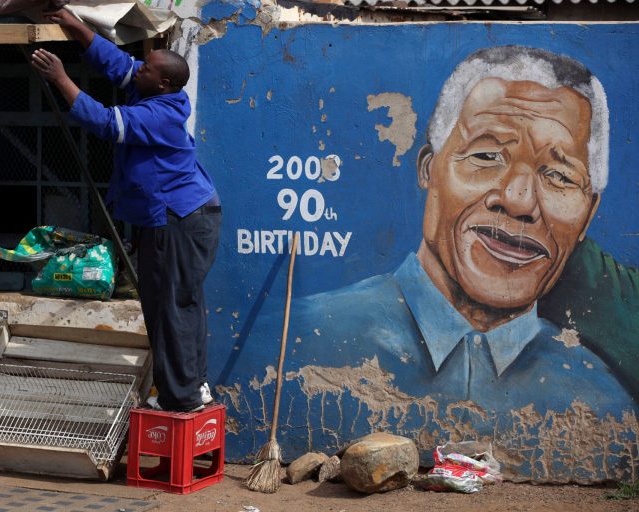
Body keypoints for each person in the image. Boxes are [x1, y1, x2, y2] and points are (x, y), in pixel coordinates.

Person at [273, 46, 637, 479]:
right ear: (429, 168)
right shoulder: (303, 333)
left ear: (587, 216)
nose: (520, 202)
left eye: (559, 176)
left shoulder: (600, 395)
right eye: (487, 156)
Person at [31, 2, 221, 412]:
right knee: (177, 304)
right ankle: (191, 387)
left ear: (164, 83)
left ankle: (182, 395)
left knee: (169, 307)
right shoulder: (152, 90)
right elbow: (118, 64)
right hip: (179, 217)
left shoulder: (159, 114)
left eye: (147, 67)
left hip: (180, 219)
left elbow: (104, 123)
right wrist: (77, 27)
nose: (138, 69)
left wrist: (60, 78)